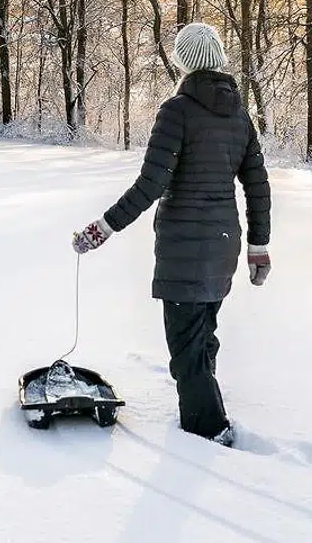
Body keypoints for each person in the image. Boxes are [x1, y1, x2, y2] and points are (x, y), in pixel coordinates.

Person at [72, 22, 271, 447]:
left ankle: (210, 432)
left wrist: (102, 228)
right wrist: (258, 247)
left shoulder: (177, 111)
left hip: (184, 248)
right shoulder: (239, 116)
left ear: (184, 61)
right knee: (202, 337)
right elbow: (257, 185)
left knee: (186, 350)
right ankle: (206, 411)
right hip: (223, 246)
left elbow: (150, 185)